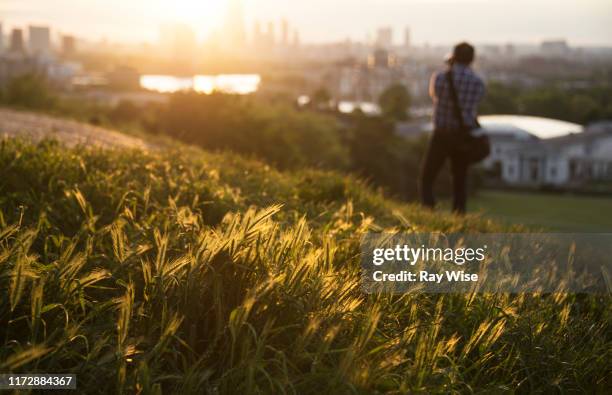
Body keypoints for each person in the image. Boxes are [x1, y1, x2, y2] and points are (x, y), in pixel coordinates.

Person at [419, 42, 485, 214]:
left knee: (427, 177)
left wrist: (450, 68)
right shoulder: (478, 83)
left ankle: (428, 210)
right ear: (471, 60)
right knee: (459, 180)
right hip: (463, 136)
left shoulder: (440, 78)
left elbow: (435, 97)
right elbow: (474, 104)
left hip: (441, 134)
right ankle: (458, 218)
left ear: (453, 57)